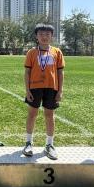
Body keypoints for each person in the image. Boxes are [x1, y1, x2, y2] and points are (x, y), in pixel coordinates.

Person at [22, 24, 65, 160]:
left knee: (49, 115)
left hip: (51, 88)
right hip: (35, 87)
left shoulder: (57, 52)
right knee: (32, 114)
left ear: (52, 36)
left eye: (47, 34)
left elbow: (60, 72)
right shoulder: (31, 52)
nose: (44, 37)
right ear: (36, 36)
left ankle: (49, 145)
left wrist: (60, 90)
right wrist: (27, 90)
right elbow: (27, 72)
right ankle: (28, 143)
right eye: (41, 34)